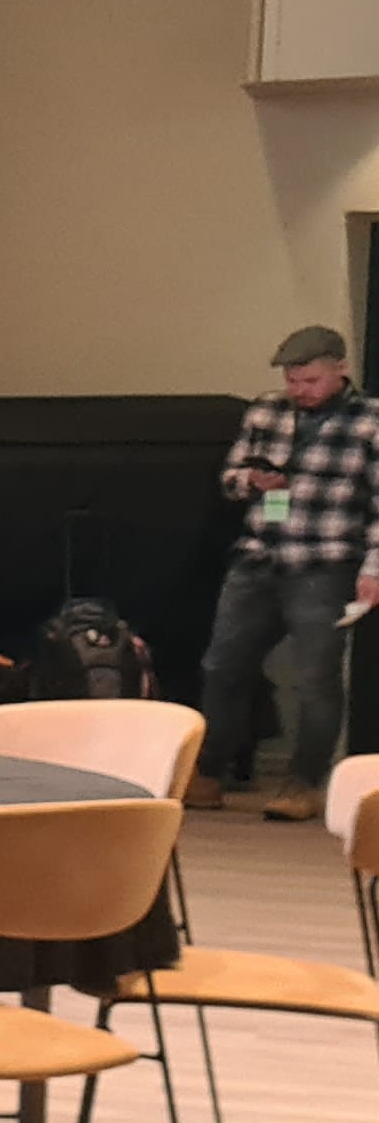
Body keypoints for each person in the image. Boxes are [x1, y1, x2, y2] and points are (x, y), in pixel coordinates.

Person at [191, 325, 379, 821]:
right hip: (258, 556)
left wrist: (374, 569)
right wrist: (250, 481)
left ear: (341, 368)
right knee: (222, 666)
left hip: (325, 562)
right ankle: (208, 770)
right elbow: (229, 477)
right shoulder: (266, 411)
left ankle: (304, 782)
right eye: (293, 380)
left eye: (310, 380)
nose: (299, 390)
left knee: (315, 678)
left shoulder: (370, 422)